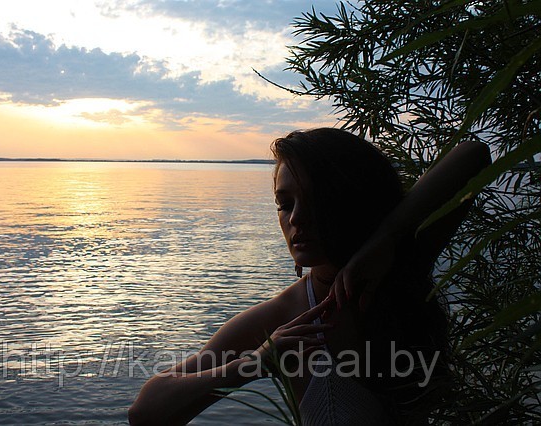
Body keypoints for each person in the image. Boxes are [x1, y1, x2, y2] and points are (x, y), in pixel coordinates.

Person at [128, 128, 492, 425]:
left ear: (353, 197)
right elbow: (146, 412)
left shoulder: (401, 263)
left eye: (315, 200)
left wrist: (384, 241)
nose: (296, 219)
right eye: (284, 204)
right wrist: (257, 362)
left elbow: (474, 156)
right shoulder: (287, 317)